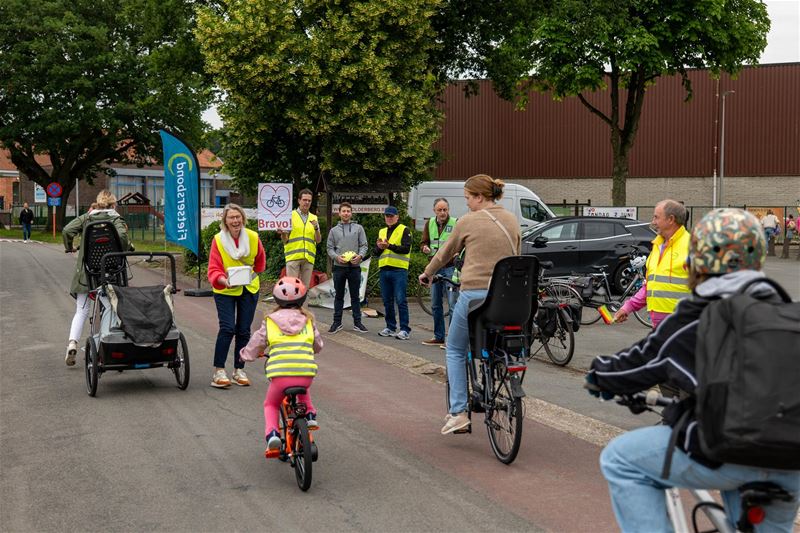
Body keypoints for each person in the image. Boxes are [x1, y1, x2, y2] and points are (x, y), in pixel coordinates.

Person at [587, 208, 800, 532]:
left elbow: (642, 362)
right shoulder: (787, 314)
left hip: (726, 448)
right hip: (791, 459)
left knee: (620, 459)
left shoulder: (701, 313)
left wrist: (599, 376)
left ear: (699, 260)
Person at [419, 174, 520, 434]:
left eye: (467, 199)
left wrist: (428, 273)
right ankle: (498, 368)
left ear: (479, 196)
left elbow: (445, 253)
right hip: (508, 297)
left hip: (475, 295)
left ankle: (459, 411)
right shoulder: (512, 220)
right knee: (495, 341)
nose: (467, 205)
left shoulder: (467, 221)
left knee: (454, 348)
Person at [239, 277, 323, 452]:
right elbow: (318, 345)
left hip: (280, 375)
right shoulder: (308, 320)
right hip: (306, 373)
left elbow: (257, 342)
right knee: (302, 383)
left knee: (271, 404)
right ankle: (309, 413)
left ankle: (273, 435)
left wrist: (246, 355)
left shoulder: (270, 321)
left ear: (276, 300)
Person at [62, 191, 131, 366]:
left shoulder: (87, 218)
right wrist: (127, 246)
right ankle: (104, 344)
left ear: (98, 204)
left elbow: (67, 230)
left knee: (82, 310)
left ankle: (72, 343)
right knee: (110, 306)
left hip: (87, 273)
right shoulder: (116, 219)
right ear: (113, 205)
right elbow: (123, 238)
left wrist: (69, 247)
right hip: (110, 272)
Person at [207, 204, 266, 388]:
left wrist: (251, 275)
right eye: (231, 218)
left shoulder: (253, 237)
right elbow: (214, 268)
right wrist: (224, 280)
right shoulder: (218, 240)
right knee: (227, 328)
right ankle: (219, 370)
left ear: (243, 218)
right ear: (225, 221)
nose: (235, 221)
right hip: (225, 289)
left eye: (238, 217)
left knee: (244, 330)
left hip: (248, 289)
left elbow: (261, 262)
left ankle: (239, 370)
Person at [613, 199, 691, 329]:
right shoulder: (657, 246)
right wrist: (627, 308)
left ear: (670, 219)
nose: (653, 222)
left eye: (656, 217)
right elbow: (649, 286)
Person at [419, 198, 459, 346]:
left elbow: (461, 242)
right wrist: (424, 248)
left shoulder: (456, 223)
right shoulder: (429, 223)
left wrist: (457, 253)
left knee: (453, 304)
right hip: (434, 268)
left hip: (449, 267)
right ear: (434, 211)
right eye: (439, 210)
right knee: (436, 304)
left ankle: (453, 339)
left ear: (448, 210)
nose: (442, 213)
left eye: (445, 210)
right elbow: (423, 242)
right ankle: (439, 336)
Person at [326, 202, 368, 333]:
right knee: (339, 296)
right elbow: (329, 248)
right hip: (339, 267)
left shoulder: (359, 228)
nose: (346, 213)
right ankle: (337, 322)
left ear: (351, 213)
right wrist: (336, 257)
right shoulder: (333, 231)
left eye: (348, 211)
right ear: (339, 213)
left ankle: (358, 322)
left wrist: (360, 257)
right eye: (343, 211)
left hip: (354, 267)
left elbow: (364, 245)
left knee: (355, 296)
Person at [375, 205, 413, 340]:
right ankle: (390, 327)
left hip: (399, 270)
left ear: (397, 217)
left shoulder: (404, 230)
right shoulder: (382, 231)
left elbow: (406, 249)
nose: (389, 218)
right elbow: (376, 253)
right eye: (387, 216)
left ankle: (404, 329)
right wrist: (379, 247)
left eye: (391, 216)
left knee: (401, 300)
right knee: (387, 301)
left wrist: (389, 246)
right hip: (384, 269)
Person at [279, 189, 321, 290]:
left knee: (305, 289)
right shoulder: (290, 215)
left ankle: (303, 306)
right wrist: (283, 233)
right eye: (304, 200)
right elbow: (285, 240)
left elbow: (318, 240)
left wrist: (316, 228)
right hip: (293, 257)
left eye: (309, 200)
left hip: (308, 258)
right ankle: (292, 306)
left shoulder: (314, 218)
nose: (307, 202)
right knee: (292, 288)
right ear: (299, 200)